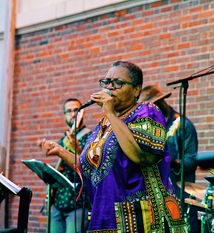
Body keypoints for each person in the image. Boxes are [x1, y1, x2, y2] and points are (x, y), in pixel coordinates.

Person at [40, 61, 187, 232]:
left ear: (136, 90)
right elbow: (90, 167)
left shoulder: (147, 111)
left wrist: (109, 112)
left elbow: (141, 156)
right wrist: (60, 151)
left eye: (117, 83)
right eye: (106, 82)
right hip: (106, 216)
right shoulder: (104, 124)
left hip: (142, 218)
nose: (110, 88)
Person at [139, 85, 199, 233]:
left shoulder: (182, 124)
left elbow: (191, 160)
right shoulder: (150, 127)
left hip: (180, 193)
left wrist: (172, 161)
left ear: (158, 105)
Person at [50, 98, 91, 233]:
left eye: (76, 110)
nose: (73, 114)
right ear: (64, 115)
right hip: (58, 203)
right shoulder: (64, 138)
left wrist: (77, 150)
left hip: (77, 203)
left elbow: (89, 167)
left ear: (82, 113)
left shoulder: (90, 136)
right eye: (69, 111)